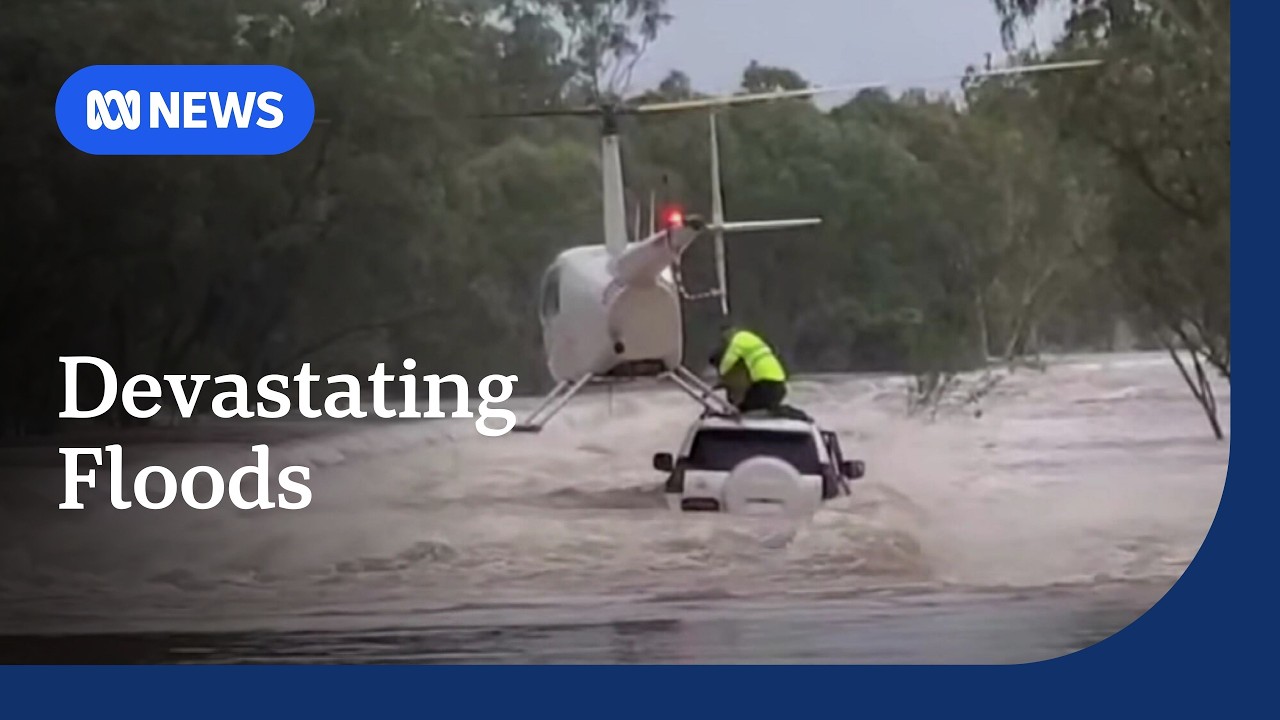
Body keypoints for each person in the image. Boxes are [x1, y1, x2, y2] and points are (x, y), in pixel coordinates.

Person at [709, 324, 788, 413]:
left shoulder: (738, 339)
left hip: (766, 383)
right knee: (749, 403)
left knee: (745, 408)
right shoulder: (750, 338)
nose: (725, 341)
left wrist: (721, 376)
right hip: (779, 383)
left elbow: (728, 360)